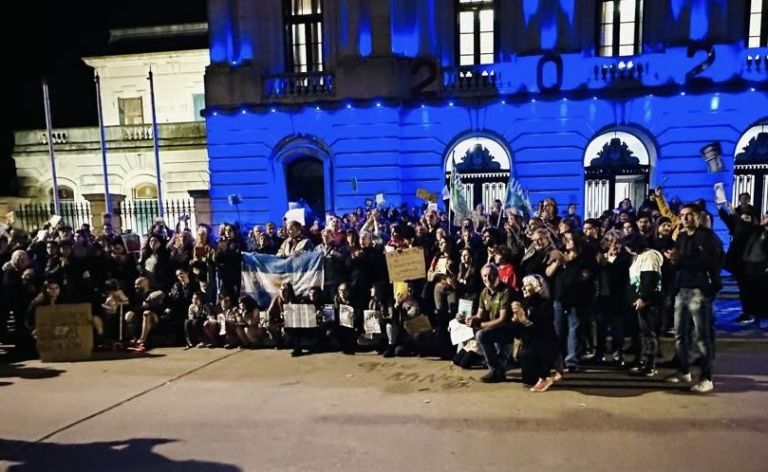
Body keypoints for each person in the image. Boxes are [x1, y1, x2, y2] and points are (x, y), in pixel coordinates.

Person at [666, 204, 724, 393]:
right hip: (682, 289)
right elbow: (679, 262)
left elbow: (708, 262)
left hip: (698, 290)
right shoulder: (681, 237)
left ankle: (706, 377)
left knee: (701, 336)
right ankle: (683, 370)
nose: (685, 219)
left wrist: (679, 259)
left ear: (698, 217)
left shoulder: (707, 237)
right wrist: (674, 261)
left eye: (689, 215)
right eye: (682, 215)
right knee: (680, 334)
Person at [624, 234, 664, 377]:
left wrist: (643, 298)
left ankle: (650, 363)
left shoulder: (650, 255)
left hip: (649, 302)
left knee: (649, 333)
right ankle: (642, 361)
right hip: (638, 301)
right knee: (642, 333)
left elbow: (650, 279)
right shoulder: (638, 257)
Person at [467, 263, 515, 383]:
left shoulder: (505, 291)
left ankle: (494, 370)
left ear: (496, 275)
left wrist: (480, 325)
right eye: (484, 276)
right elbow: (479, 315)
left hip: (507, 329)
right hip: (493, 328)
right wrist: (470, 319)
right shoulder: (484, 292)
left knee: (481, 334)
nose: (487, 279)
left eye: (490, 275)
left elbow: (502, 319)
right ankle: (496, 367)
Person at [519, 275, 557, 392]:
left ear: (536, 287)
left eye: (527, 286)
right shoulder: (525, 302)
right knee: (527, 377)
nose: (523, 288)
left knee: (530, 352)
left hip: (543, 340)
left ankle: (543, 377)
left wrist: (525, 319)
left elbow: (541, 323)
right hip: (529, 339)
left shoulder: (545, 303)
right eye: (523, 286)